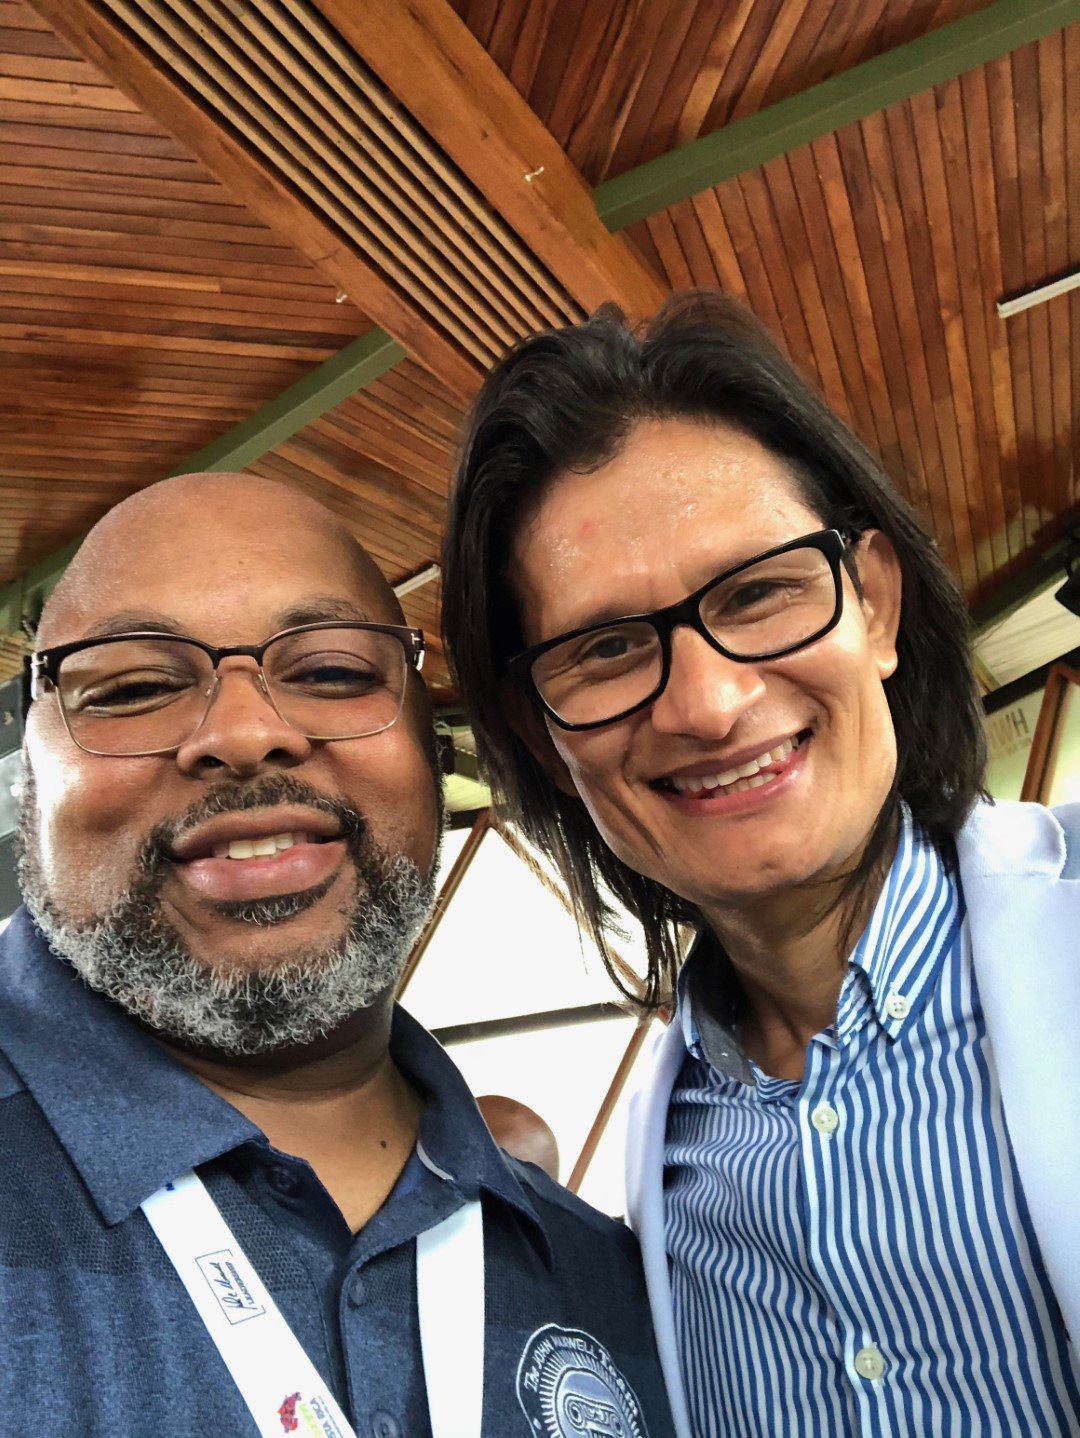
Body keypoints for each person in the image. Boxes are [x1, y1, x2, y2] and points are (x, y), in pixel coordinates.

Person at [440, 293, 1080, 1437]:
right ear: (546, 736)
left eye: (760, 591)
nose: (709, 701)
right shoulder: (663, 1177)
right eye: (604, 648)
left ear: (874, 606)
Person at [0, 471, 676, 1438]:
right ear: (30, 775)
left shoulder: (614, 1287)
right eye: (138, 686)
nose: (245, 733)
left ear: (429, 748)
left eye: (330, 673)